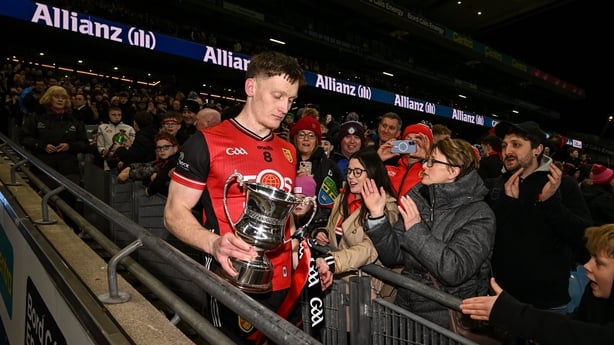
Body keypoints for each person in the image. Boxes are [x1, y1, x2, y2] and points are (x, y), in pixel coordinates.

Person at [163, 51, 305, 345]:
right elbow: (174, 213)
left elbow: (285, 220)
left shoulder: (288, 151)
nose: (284, 108)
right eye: (277, 96)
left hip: (283, 282)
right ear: (251, 88)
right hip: (231, 280)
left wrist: (303, 259)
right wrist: (212, 243)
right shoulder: (205, 142)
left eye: (291, 100)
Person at [365, 138, 496, 328]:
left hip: (444, 319)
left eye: (432, 161)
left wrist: (417, 230)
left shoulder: (480, 215)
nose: (424, 166)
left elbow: (454, 270)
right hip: (404, 310)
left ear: (453, 171)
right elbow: (392, 256)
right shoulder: (420, 197)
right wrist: (378, 218)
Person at [485, 121, 593, 344]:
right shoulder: (497, 184)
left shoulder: (563, 185)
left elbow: (583, 238)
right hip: (503, 297)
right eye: (505, 145)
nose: (508, 151)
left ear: (537, 149)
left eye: (516, 144)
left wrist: (551, 204)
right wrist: (507, 205)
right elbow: (489, 236)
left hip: (547, 303)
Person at [460, 223, 614, 345]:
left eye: (599, 263)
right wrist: (543, 333)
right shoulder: (593, 291)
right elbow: (576, 324)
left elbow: (593, 338)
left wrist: (514, 315)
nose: (587, 265)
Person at [313, 148, 399, 297]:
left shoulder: (386, 206)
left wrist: (335, 262)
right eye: (349, 171)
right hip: (335, 282)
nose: (351, 177)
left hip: (364, 289)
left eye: (358, 172)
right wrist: (322, 233)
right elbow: (332, 229)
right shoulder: (342, 198)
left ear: (372, 173)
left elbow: (370, 248)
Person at [18, 85, 89, 188]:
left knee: (67, 202)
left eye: (63, 97)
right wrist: (42, 145)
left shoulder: (75, 120)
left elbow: (85, 143)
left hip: (69, 171)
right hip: (42, 169)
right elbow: (23, 138)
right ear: (49, 98)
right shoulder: (36, 117)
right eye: (56, 96)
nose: (60, 100)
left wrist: (70, 146)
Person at [289, 115, 343, 228]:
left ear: (317, 140)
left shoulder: (330, 167)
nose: (306, 139)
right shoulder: (285, 161)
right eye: (302, 134)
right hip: (286, 223)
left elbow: (331, 205)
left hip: (316, 228)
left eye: (311, 135)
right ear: (295, 138)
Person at [378, 121, 433, 199]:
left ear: (427, 146)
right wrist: (377, 159)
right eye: (408, 139)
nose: (412, 143)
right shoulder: (388, 169)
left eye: (418, 140)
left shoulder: (431, 173)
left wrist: (428, 159)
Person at [96, 106, 136, 171]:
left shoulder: (129, 128)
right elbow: (100, 145)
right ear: (108, 115)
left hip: (124, 160)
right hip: (108, 159)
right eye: (113, 115)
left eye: (119, 115)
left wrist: (125, 159)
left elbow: (132, 146)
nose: (117, 117)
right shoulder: (102, 127)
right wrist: (103, 152)